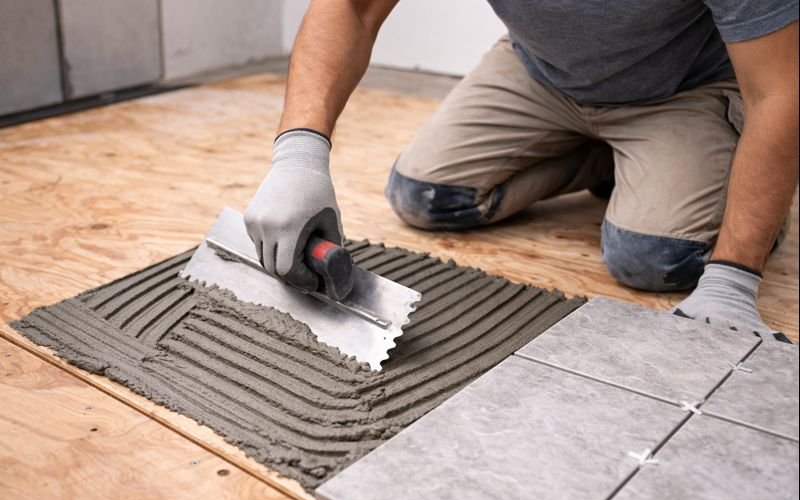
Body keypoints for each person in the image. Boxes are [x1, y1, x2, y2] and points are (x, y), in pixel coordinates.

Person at [244, 0, 799, 343]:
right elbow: (353, 7)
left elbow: (779, 91)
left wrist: (733, 277)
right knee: (425, 195)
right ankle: (610, 156)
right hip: (544, 73)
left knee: (654, 258)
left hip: (683, 89)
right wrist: (299, 155)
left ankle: (710, 170)